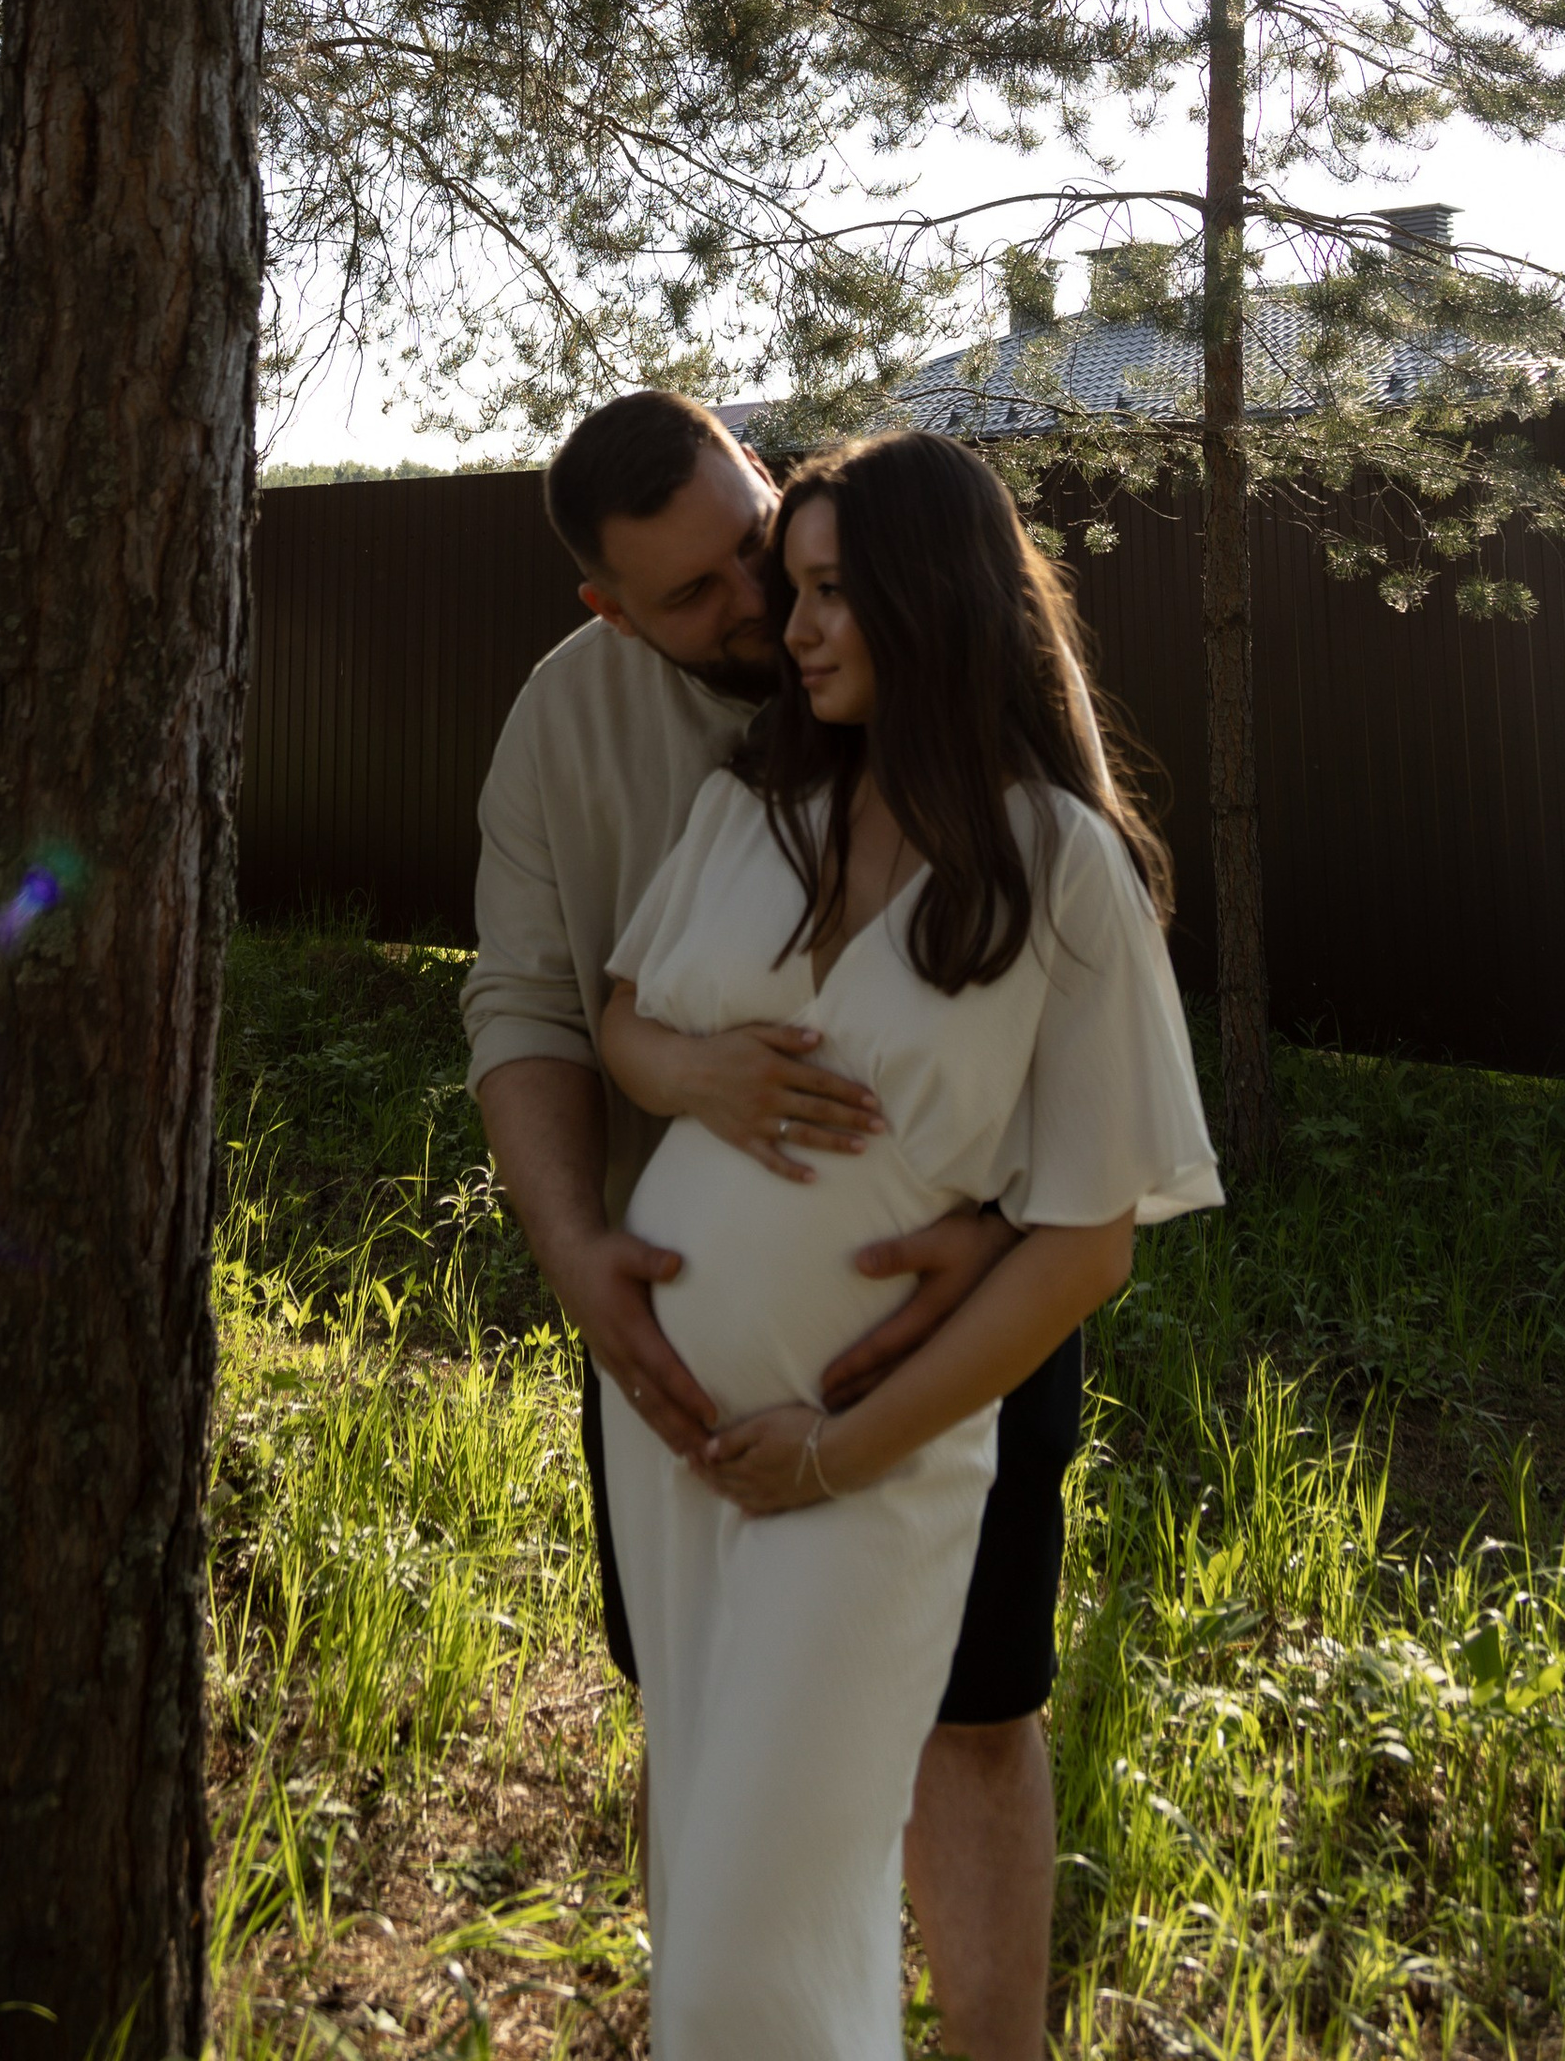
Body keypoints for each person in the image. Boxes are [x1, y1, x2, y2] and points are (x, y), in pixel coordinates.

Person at [463, 391, 1149, 2060]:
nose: (762, 611)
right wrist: (581, 1250)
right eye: (699, 598)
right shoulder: (579, 731)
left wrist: (1000, 1229)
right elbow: (537, 1007)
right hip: (674, 1360)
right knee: (706, 1734)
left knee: (973, 1711)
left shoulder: (980, 767)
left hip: (941, 1344)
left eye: (761, 552)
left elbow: (1078, 1117)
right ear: (607, 608)